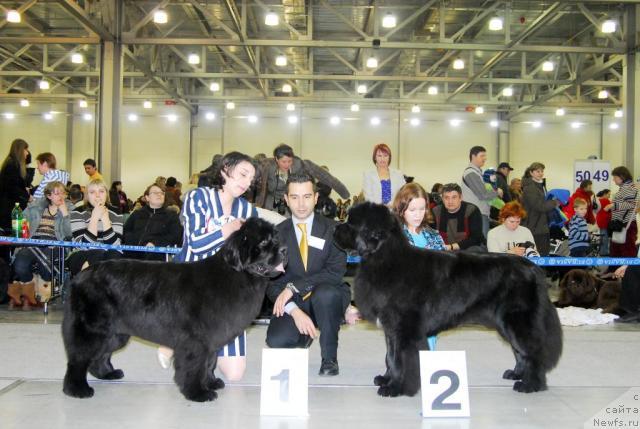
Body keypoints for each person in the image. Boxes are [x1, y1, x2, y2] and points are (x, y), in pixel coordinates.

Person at [158, 152, 258, 381]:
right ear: (225, 169)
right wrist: (228, 229)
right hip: (191, 285)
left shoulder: (247, 210)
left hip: (226, 291)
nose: (246, 183)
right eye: (242, 174)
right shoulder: (197, 197)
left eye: (250, 180)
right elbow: (195, 242)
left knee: (235, 374)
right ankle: (176, 337)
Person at [266, 172, 350, 376]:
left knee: (326, 295)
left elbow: (335, 273)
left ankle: (329, 358)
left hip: (326, 294)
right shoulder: (276, 234)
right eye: (294, 197)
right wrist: (294, 310)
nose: (301, 204)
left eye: (306, 196)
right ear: (286, 199)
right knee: (277, 340)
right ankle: (304, 333)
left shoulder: (334, 230)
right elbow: (271, 283)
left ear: (316, 198)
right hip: (294, 301)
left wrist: (294, 287)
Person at [392, 182, 445, 350]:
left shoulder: (435, 236)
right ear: (401, 209)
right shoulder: (393, 236)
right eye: (412, 210)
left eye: (422, 209)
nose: (418, 215)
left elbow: (445, 269)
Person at [9, 181, 74, 310]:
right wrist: (22, 239)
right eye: (56, 193)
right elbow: (20, 222)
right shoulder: (36, 207)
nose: (60, 196)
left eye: (63, 193)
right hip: (33, 242)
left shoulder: (71, 209)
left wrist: (65, 214)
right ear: (49, 196)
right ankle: (31, 288)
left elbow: (71, 235)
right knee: (20, 264)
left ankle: (40, 292)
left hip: (56, 244)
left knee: (47, 265)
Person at [256, 144, 349, 214]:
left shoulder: (301, 164)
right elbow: (251, 177)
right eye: (283, 161)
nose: (287, 164)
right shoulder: (266, 166)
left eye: (290, 161)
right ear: (276, 159)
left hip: (292, 201)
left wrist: (343, 192)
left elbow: (325, 176)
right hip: (271, 202)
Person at [67, 179, 123, 276]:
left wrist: (105, 219)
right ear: (87, 196)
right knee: (97, 253)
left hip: (109, 253)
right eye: (92, 192)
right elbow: (82, 245)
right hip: (82, 253)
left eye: (101, 191)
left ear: (106, 194)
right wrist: (94, 218)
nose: (97, 195)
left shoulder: (116, 212)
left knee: (115, 255)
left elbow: (115, 245)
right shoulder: (77, 212)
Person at [123, 184, 183, 261]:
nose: (159, 194)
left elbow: (176, 235)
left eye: (162, 193)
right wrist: (137, 244)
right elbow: (126, 231)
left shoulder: (171, 216)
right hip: (133, 254)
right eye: (155, 193)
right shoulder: (137, 214)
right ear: (147, 198)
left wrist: (155, 243)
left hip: (157, 256)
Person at [460, 146, 502, 238]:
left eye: (485, 156)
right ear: (473, 156)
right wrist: (497, 192)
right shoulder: (471, 173)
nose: (485, 158)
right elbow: (483, 195)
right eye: (482, 156)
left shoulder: (477, 172)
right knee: (481, 243)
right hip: (476, 214)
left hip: (480, 213)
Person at [431, 183, 485, 252]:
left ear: (460, 198)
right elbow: (431, 235)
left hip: (467, 249)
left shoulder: (472, 210)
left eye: (454, 197)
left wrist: (451, 247)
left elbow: (476, 238)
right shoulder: (436, 211)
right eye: (446, 197)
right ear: (442, 199)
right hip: (445, 250)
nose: (450, 201)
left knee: (474, 250)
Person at [520, 162, 559, 256]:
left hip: (540, 226)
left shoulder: (539, 186)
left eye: (542, 171)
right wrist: (554, 203)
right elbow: (539, 206)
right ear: (531, 173)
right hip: (534, 227)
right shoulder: (530, 188)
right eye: (538, 171)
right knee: (539, 256)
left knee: (543, 254)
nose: (541, 173)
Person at [605, 166, 638, 258]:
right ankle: (615, 270)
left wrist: (613, 205)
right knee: (617, 250)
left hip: (626, 224)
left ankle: (626, 271)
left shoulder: (629, 187)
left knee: (626, 251)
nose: (613, 180)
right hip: (621, 224)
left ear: (622, 176)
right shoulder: (625, 188)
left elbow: (631, 204)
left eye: (615, 177)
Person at [0, 138, 30, 235]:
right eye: (25, 149)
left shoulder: (12, 164)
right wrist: (27, 196)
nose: (27, 153)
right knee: (14, 238)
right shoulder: (12, 165)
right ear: (20, 150)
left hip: (11, 210)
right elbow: (13, 189)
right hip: (10, 212)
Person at [596, 189, 612, 256]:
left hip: (600, 220)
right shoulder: (606, 200)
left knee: (602, 236)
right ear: (604, 194)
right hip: (605, 221)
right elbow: (611, 209)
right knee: (605, 237)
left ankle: (602, 251)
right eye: (608, 194)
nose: (609, 196)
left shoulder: (598, 200)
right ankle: (603, 252)